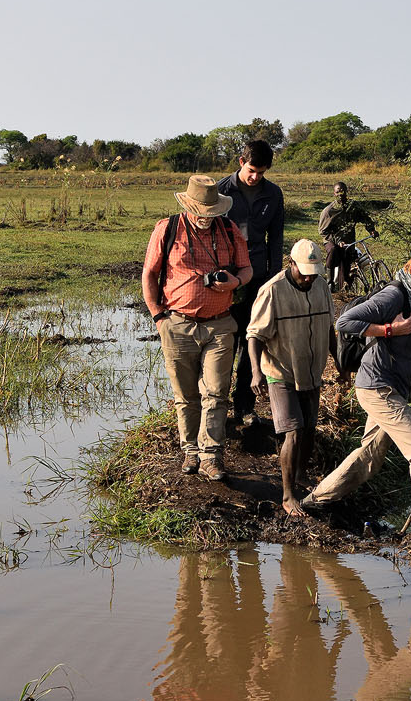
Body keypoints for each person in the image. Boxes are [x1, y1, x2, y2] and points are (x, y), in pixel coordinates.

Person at [299, 241, 411, 557]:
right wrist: (388, 330)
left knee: (370, 456)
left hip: (393, 389)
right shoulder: (394, 295)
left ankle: (314, 502)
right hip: (377, 388)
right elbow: (346, 322)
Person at [142, 175, 255, 481]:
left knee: (217, 394)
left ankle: (211, 456)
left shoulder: (229, 230)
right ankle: (190, 450)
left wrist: (236, 281)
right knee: (186, 395)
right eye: (202, 212)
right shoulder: (167, 229)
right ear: (189, 205)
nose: (207, 219)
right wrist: (158, 316)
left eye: (212, 212)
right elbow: (150, 274)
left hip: (220, 326)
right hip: (176, 324)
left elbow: (247, 269)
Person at [246, 238, 334, 515]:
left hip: (311, 370)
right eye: (303, 272)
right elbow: (254, 335)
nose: (308, 279)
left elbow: (329, 328)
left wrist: (340, 363)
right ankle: (287, 494)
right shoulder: (272, 291)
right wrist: (255, 372)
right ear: (291, 264)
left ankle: (300, 475)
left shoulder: (321, 287)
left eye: (313, 273)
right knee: (293, 432)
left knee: (308, 430)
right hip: (280, 371)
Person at [217, 140, 284, 426]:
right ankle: (216, 406)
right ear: (241, 160)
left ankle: (244, 406)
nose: (256, 176)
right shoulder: (221, 190)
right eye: (252, 170)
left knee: (251, 338)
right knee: (222, 343)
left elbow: (276, 239)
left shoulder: (273, 194)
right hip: (226, 278)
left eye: (262, 172)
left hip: (258, 275)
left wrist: (274, 280)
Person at [317, 182, 377, 290]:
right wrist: (337, 240)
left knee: (345, 270)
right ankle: (329, 282)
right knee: (334, 251)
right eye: (338, 192)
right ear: (334, 194)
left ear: (346, 192)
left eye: (342, 192)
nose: (341, 195)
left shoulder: (353, 207)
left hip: (349, 241)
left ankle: (348, 286)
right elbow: (323, 231)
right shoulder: (329, 211)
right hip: (332, 240)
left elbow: (365, 218)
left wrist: (372, 230)